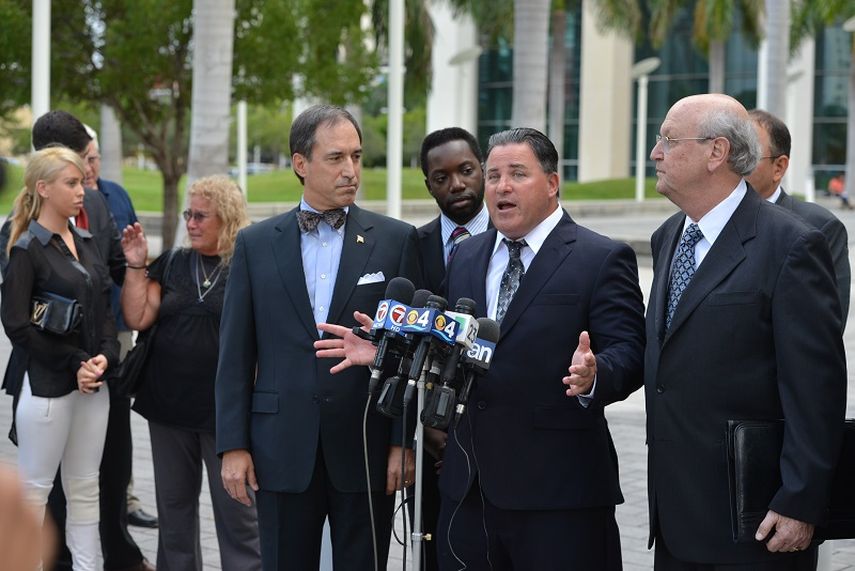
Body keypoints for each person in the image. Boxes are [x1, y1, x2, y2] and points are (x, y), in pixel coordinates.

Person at [215, 104, 422, 570]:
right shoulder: (254, 244)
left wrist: (401, 442)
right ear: (300, 164)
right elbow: (234, 354)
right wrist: (233, 444)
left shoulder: (396, 240)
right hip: (280, 446)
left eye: (356, 156)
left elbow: (407, 354)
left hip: (365, 445)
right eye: (335, 158)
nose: (351, 170)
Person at [645, 94, 847, 570]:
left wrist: (800, 500)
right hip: (675, 518)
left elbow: (815, 388)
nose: (656, 152)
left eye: (668, 140)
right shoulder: (669, 236)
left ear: (717, 152)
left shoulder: (792, 245)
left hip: (755, 524)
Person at [0, 110, 152, 571]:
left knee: (89, 487)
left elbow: (105, 308)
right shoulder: (22, 244)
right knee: (38, 492)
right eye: (72, 180)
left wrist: (102, 360)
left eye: (82, 178)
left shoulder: (86, 235)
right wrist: (75, 364)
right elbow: (18, 325)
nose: (84, 186)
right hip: (48, 384)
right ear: (44, 186)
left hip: (96, 383)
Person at [120, 175, 261, 569]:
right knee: (174, 515)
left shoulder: (248, 267)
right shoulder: (175, 262)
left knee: (240, 518)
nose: (191, 223)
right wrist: (135, 265)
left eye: (201, 216)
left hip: (226, 417)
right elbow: (139, 316)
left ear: (228, 218)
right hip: (167, 409)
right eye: (189, 214)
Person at [413, 126, 490, 571]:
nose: (456, 184)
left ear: (481, 168)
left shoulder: (512, 239)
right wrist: (433, 433)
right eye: (441, 177)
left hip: (497, 437)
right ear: (428, 185)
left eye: (465, 171)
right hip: (430, 439)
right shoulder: (413, 244)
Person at [81, 124, 158, 530]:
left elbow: (128, 257)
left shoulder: (115, 194)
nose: (93, 166)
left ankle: (123, 498)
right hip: (80, 339)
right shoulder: (67, 200)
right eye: (87, 157)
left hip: (120, 329)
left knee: (117, 419)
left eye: (96, 158)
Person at [746, 109, 850, 327]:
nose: (732, 165)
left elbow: (823, 329)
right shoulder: (695, 223)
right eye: (728, 153)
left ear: (779, 167)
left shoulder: (818, 227)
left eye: (746, 155)